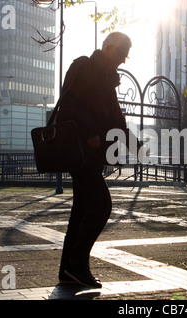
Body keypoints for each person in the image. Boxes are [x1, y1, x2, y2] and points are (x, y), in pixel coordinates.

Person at [56, 32, 132, 288]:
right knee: (101, 205)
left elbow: (115, 120)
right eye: (121, 55)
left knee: (80, 211)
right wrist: (89, 132)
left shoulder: (107, 79)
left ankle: (67, 270)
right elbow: (69, 105)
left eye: (126, 57)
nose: (123, 61)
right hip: (80, 153)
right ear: (109, 48)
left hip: (92, 157)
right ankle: (77, 264)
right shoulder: (86, 67)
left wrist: (135, 145)